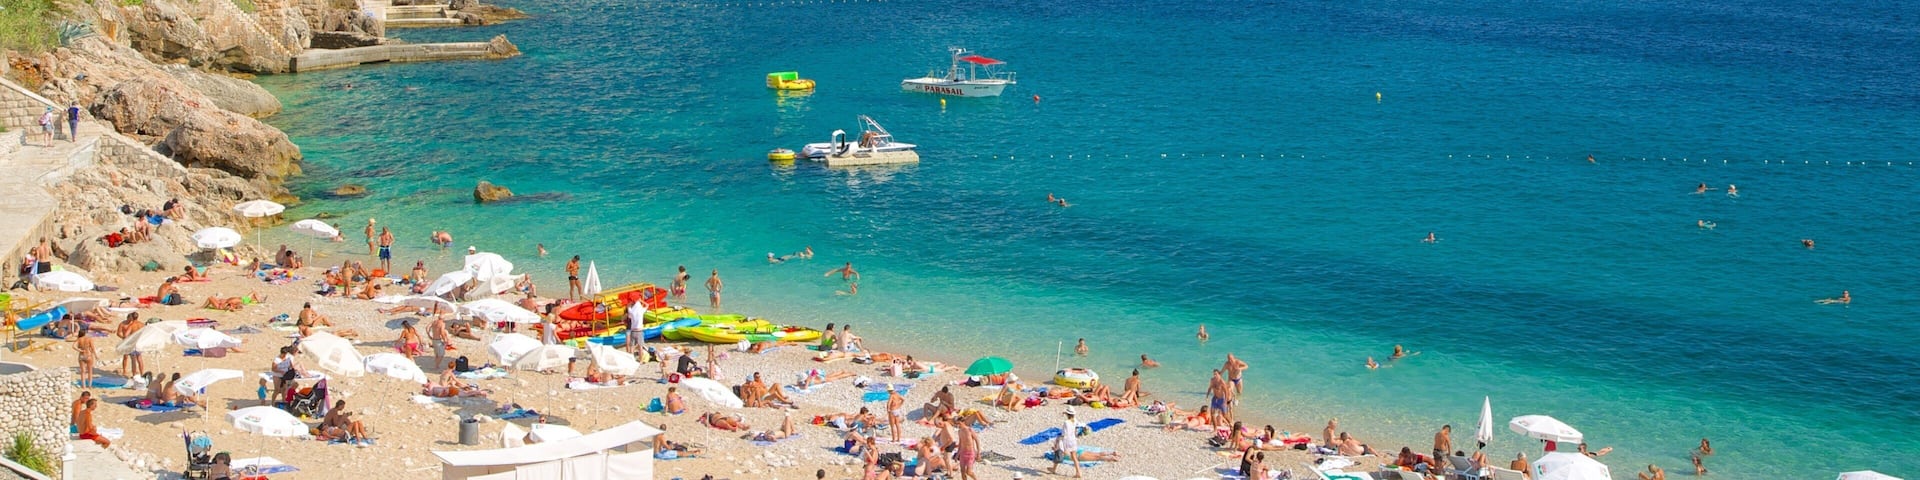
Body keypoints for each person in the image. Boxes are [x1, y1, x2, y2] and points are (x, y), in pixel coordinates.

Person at [116, 313, 143, 378]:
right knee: (138, 358)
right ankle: (141, 373)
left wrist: (127, 338)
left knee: (133, 359)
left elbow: (126, 335)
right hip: (138, 343)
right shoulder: (142, 324)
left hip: (131, 342)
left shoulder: (131, 325)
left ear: (131, 317)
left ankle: (134, 374)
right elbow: (118, 333)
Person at [955, 413, 980, 480]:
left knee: (968, 472)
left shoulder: (970, 430)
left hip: (970, 452)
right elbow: (960, 443)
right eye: (957, 424)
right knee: (962, 471)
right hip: (963, 453)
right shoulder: (959, 431)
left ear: (963, 422)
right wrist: (957, 454)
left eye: (959, 423)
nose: (958, 425)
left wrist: (978, 453)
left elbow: (977, 441)